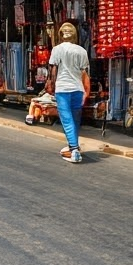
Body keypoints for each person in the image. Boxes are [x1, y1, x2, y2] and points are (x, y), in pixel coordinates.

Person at [46, 21, 89, 163]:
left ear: (61, 35)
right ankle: (73, 146)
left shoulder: (57, 49)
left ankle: (74, 149)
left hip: (63, 89)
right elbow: (84, 73)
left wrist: (50, 85)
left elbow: (53, 70)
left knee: (66, 119)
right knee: (75, 119)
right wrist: (86, 91)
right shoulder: (82, 51)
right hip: (78, 89)